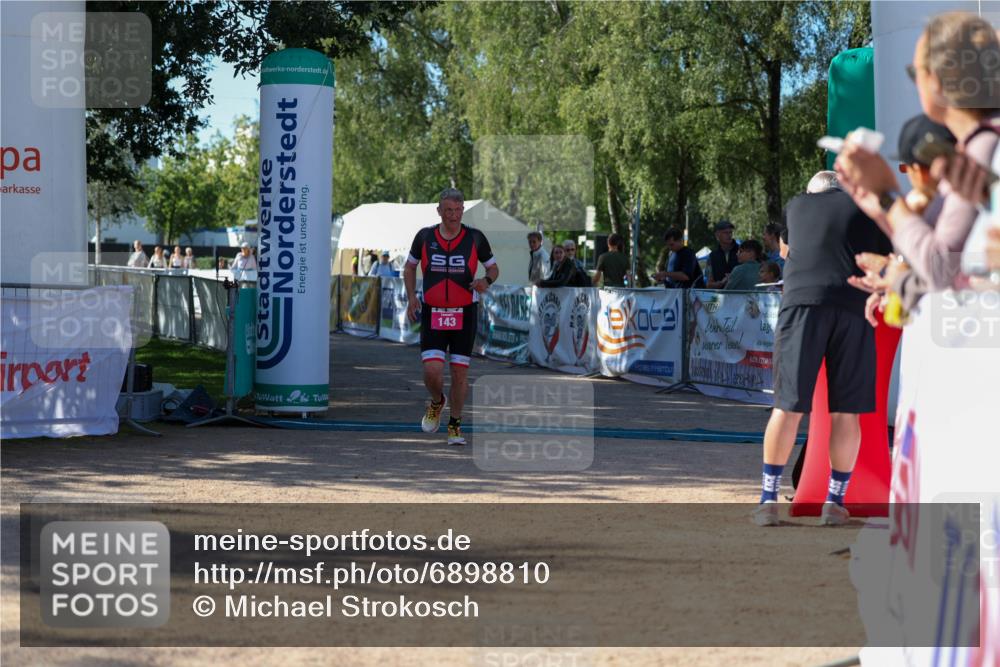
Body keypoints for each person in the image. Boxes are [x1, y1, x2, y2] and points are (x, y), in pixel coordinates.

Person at [752, 170, 892, 527]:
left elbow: (786, 251)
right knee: (846, 413)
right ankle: (834, 503)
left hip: (802, 305)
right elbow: (887, 260)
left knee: (787, 407)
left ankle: (768, 502)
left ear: (811, 192)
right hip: (853, 307)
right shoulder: (867, 208)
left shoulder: (797, 206)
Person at [835, 12, 998, 294]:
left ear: (937, 81)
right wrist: (879, 203)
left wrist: (887, 196)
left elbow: (940, 268)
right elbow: (935, 255)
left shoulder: (983, 148)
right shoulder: (978, 145)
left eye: (915, 73)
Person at [404, 188, 499, 446]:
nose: (453, 216)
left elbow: (493, 267)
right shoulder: (425, 236)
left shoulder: (475, 238)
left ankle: (455, 425)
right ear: (439, 211)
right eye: (448, 210)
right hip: (433, 312)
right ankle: (437, 401)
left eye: (457, 210)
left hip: (464, 313)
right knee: (431, 371)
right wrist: (412, 296)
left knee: (459, 373)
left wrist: (486, 281)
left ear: (462, 210)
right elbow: (410, 267)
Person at [706, 220, 739, 288]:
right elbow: (709, 284)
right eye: (725, 233)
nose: (729, 235)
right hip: (720, 293)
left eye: (730, 232)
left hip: (740, 293)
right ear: (717, 235)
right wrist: (721, 283)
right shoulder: (712, 256)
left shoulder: (741, 251)